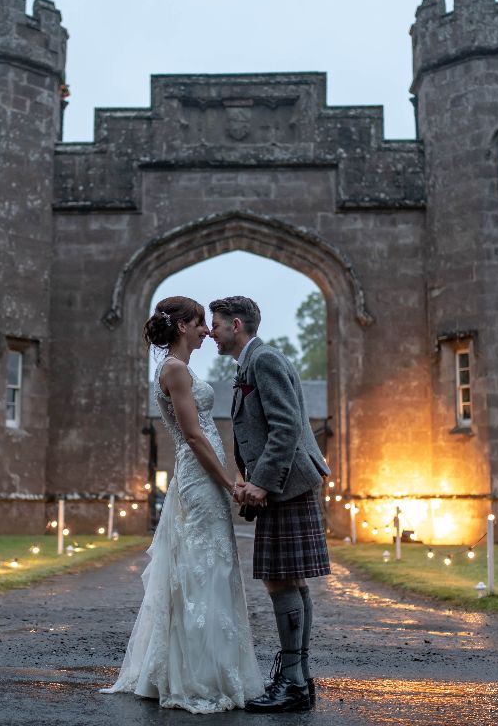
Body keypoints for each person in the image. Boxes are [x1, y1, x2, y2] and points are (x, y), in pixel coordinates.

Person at [101, 296, 264, 713]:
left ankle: (207, 667)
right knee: (203, 569)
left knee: (210, 565)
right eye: (199, 324)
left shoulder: (181, 369)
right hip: (199, 477)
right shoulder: (173, 370)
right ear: (181, 328)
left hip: (202, 477)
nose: (207, 331)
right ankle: (197, 676)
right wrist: (231, 483)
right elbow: (193, 436)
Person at [209, 295, 331, 714]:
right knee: (291, 580)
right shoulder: (251, 363)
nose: (213, 332)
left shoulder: (264, 360)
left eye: (218, 325)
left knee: (282, 580)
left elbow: (287, 426)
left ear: (236, 324)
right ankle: (298, 679)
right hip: (284, 484)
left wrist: (261, 483)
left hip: (285, 485)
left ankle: (294, 683)